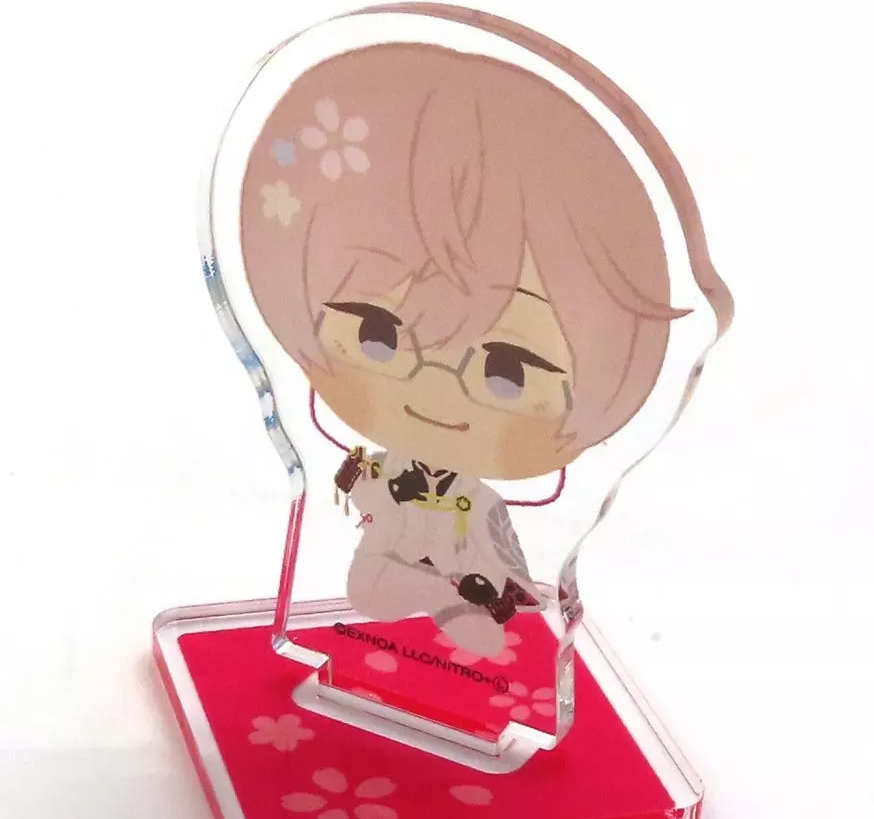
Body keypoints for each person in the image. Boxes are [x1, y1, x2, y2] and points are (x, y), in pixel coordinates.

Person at [240, 42, 688, 654]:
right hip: (383, 567)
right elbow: (360, 495)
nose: (434, 389)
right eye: (377, 335)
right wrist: (365, 491)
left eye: (508, 370)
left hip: (463, 581)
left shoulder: (481, 503)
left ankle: (454, 608)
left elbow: (503, 560)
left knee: (472, 615)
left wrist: (495, 588)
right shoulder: (383, 466)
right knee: (373, 592)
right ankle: (436, 599)